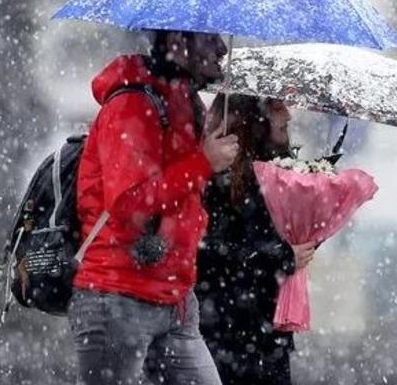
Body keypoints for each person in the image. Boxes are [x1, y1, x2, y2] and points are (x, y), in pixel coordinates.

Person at [69, 30, 239, 385]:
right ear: (178, 39)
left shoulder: (185, 103)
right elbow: (130, 205)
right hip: (118, 297)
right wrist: (203, 162)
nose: (222, 48)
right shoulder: (132, 103)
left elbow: (186, 197)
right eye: (210, 39)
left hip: (175, 300)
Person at [197, 93, 317, 385]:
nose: (288, 119)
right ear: (256, 120)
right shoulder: (217, 174)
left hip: (263, 327)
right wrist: (282, 256)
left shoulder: (278, 172)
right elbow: (211, 251)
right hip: (226, 327)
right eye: (279, 113)